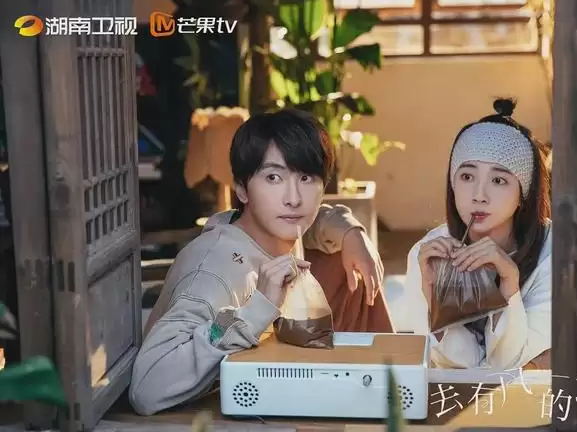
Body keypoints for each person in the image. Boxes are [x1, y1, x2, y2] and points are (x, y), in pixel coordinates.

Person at [129, 109, 393, 415]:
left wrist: (351, 233)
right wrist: (256, 309)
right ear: (241, 189)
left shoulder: (275, 226)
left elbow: (318, 219)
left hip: (268, 384)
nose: (293, 198)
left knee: (340, 264)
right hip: (206, 413)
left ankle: (382, 387)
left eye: (306, 178)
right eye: (273, 178)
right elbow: (146, 388)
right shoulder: (216, 272)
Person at [404, 98, 552, 370]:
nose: (479, 196)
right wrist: (434, 295)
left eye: (498, 180)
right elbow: (458, 366)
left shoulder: (553, 253)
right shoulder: (428, 254)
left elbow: (508, 365)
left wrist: (509, 284)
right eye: (467, 177)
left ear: (524, 192)